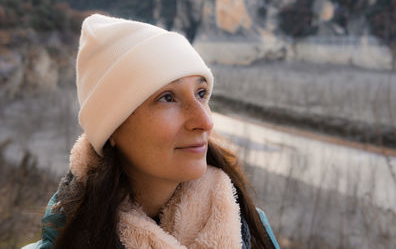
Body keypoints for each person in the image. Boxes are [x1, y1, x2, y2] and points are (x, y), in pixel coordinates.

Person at [22, 14, 280, 249]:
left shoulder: (254, 230)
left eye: (201, 93)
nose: (205, 121)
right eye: (167, 97)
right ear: (111, 128)